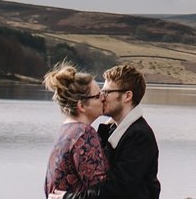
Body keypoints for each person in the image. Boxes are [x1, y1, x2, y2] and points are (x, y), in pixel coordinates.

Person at [54, 63, 161, 199]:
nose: (102, 97)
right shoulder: (113, 129)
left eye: (107, 92)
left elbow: (118, 189)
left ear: (127, 96)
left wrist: (69, 197)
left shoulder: (139, 136)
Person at [43, 62, 110, 197]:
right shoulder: (85, 134)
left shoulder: (66, 130)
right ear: (82, 106)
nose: (103, 98)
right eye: (97, 96)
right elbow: (101, 192)